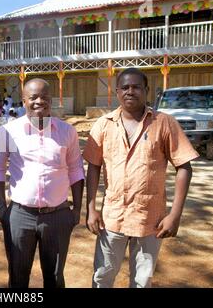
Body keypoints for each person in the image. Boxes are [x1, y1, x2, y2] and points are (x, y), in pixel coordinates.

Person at [83, 68, 199, 288]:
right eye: (124, 87)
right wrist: (91, 209)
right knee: (102, 276)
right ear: (116, 92)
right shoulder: (103, 125)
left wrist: (174, 215)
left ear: (146, 91)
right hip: (112, 217)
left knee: (142, 280)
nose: (130, 91)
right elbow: (93, 168)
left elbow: (184, 166)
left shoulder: (164, 123)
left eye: (136, 87)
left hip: (150, 219)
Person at [0, 78, 85, 288]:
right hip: (20, 215)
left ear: (51, 100)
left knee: (55, 277)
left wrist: (77, 209)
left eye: (44, 97)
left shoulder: (68, 132)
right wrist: (2, 207)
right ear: (23, 101)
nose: (39, 101)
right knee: (18, 276)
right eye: (33, 97)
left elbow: (77, 170)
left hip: (58, 215)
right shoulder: (8, 131)